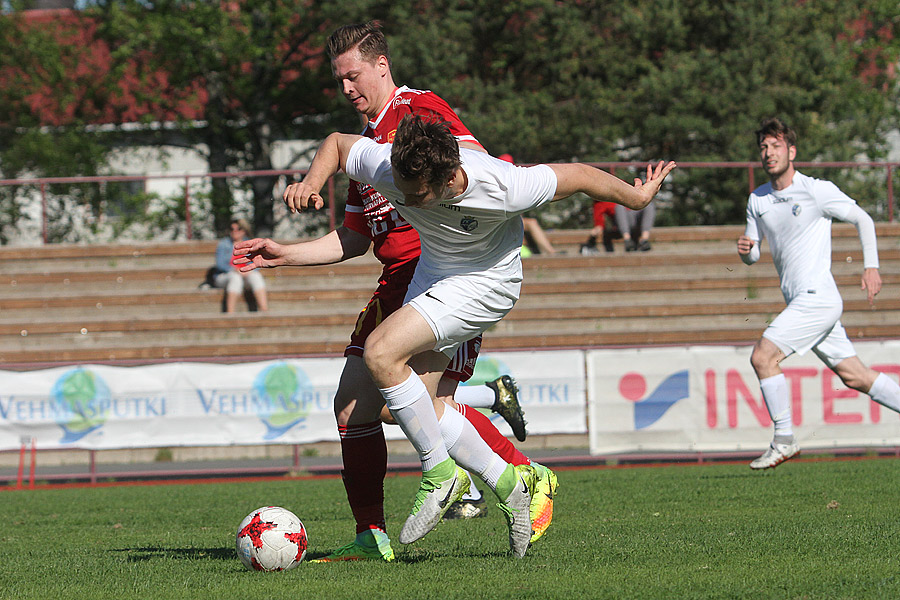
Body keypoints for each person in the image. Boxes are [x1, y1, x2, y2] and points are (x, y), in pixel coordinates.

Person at [279, 114, 675, 556]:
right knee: (416, 406)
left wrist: (637, 199)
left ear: (450, 178)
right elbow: (336, 143)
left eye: (417, 196)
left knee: (379, 353)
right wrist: (311, 184)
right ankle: (512, 483)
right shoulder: (392, 168)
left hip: (487, 283)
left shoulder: (502, 184)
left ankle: (440, 474)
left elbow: (580, 175)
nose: (404, 200)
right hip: (433, 276)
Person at [234, 22, 552, 562]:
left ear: (381, 66)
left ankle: (515, 476)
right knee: (353, 411)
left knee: (415, 403)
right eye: (338, 81)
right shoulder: (367, 146)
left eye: (353, 76)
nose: (346, 89)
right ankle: (372, 535)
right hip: (395, 283)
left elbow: (469, 170)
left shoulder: (419, 114)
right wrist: (287, 253)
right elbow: (356, 237)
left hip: (443, 276)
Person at [737, 117, 900, 470]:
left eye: (776, 146)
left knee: (763, 357)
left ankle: (784, 439)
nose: (769, 153)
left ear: (791, 151)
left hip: (818, 299)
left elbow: (864, 219)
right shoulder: (758, 199)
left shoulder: (815, 189)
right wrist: (746, 251)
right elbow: (753, 256)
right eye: (764, 147)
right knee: (855, 375)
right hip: (803, 302)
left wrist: (871, 267)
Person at [497, 154, 559, 257]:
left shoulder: (512, 183)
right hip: (500, 221)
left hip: (507, 220)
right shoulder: (501, 184)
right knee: (531, 223)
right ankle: (550, 252)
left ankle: (547, 251)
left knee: (523, 222)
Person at [212, 218, 268, 313]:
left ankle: (264, 311)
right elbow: (220, 264)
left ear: (244, 231)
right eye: (231, 229)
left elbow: (256, 263)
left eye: (238, 229)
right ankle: (230, 313)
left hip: (246, 274)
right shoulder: (223, 244)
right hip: (226, 275)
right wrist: (235, 270)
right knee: (235, 278)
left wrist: (247, 270)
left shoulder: (250, 243)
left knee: (256, 276)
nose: (234, 231)